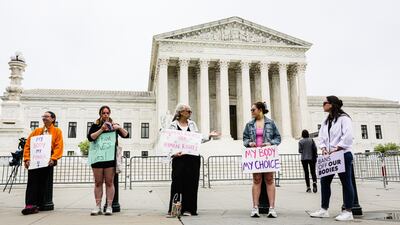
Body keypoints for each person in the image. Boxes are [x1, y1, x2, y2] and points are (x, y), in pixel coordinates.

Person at [167, 103, 219, 217]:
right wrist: (172, 154)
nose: (191, 113)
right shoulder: (173, 125)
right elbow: (169, 142)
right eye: (188, 111)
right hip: (179, 158)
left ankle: (189, 209)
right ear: (181, 112)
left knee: (191, 183)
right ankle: (175, 208)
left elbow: (197, 139)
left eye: (190, 111)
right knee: (177, 183)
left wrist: (209, 136)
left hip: (193, 158)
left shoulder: (192, 124)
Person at [309, 96, 355, 221]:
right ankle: (324, 209)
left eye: (325, 103)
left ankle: (348, 211)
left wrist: (338, 147)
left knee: (346, 182)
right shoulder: (326, 121)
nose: (323, 105)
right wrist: (323, 148)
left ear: (332, 104)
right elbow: (322, 137)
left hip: (343, 154)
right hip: (330, 156)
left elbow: (348, 135)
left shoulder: (344, 119)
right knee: (324, 181)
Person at [87, 106, 129, 216]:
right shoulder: (95, 125)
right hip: (97, 158)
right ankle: (98, 206)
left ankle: (109, 206)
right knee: (98, 182)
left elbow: (126, 135)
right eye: (103, 113)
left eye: (107, 113)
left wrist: (118, 127)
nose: (105, 115)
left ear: (109, 114)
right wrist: (102, 129)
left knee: (110, 182)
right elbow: (90, 137)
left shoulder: (114, 126)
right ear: (100, 114)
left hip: (110, 158)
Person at [243, 102, 281, 218]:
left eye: (253, 110)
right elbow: (245, 139)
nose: (251, 112)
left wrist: (270, 143)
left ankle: (272, 208)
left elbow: (278, 138)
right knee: (256, 180)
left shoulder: (270, 123)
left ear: (260, 110)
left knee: (269, 180)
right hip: (255, 155)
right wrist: (250, 143)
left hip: (267, 155)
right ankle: (255, 208)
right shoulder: (249, 124)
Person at [21, 111, 64, 215]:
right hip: (34, 161)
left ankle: (39, 204)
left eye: (47, 116)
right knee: (32, 183)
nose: (44, 118)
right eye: (43, 116)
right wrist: (26, 159)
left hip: (48, 161)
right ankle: (30, 205)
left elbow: (59, 146)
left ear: (53, 119)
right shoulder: (36, 131)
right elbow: (27, 145)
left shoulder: (57, 131)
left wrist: (53, 158)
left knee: (43, 183)